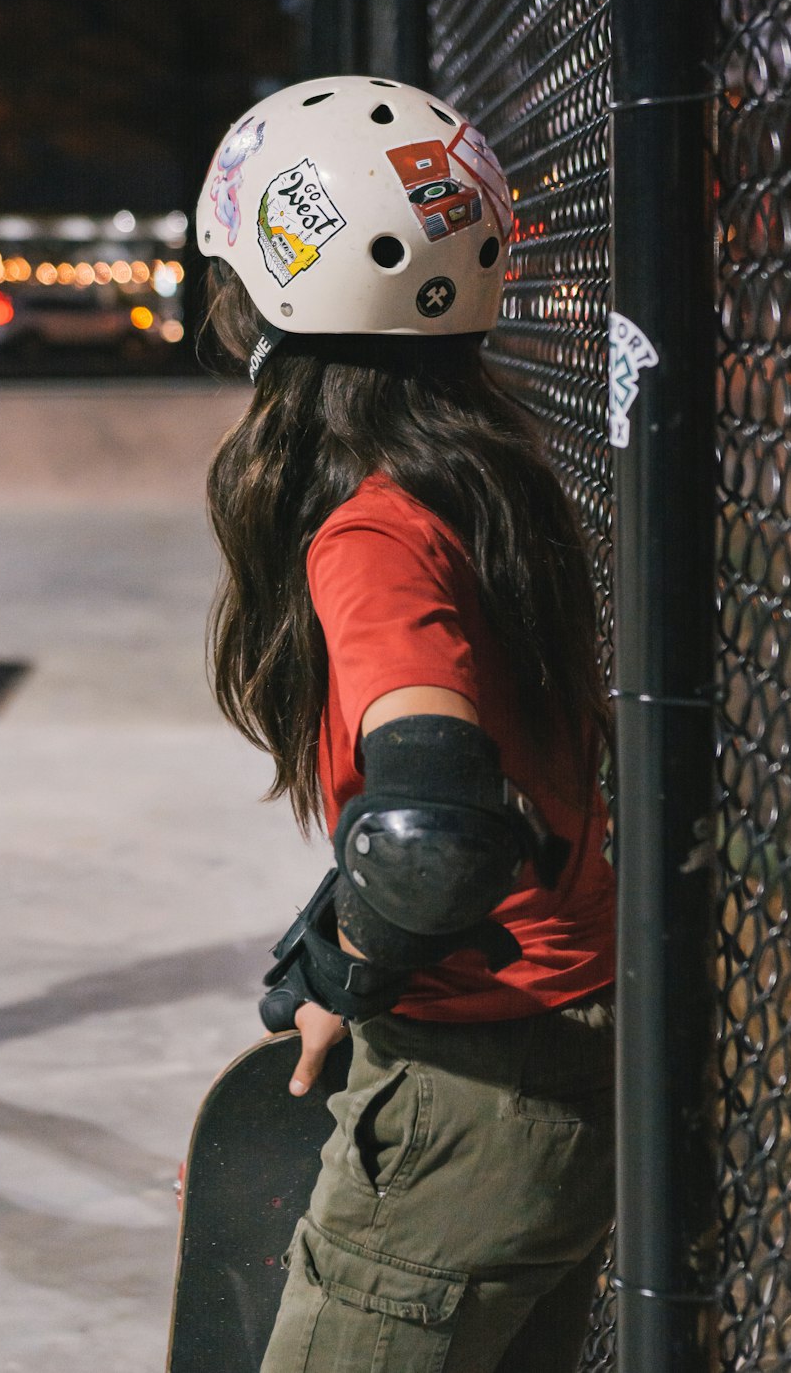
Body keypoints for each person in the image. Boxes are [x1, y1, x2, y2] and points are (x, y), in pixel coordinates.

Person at [196, 75, 616, 1373]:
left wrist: (347, 965)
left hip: (469, 1098)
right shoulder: (486, 476)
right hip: (570, 1058)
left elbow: (431, 826)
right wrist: (347, 950)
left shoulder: (368, 528)